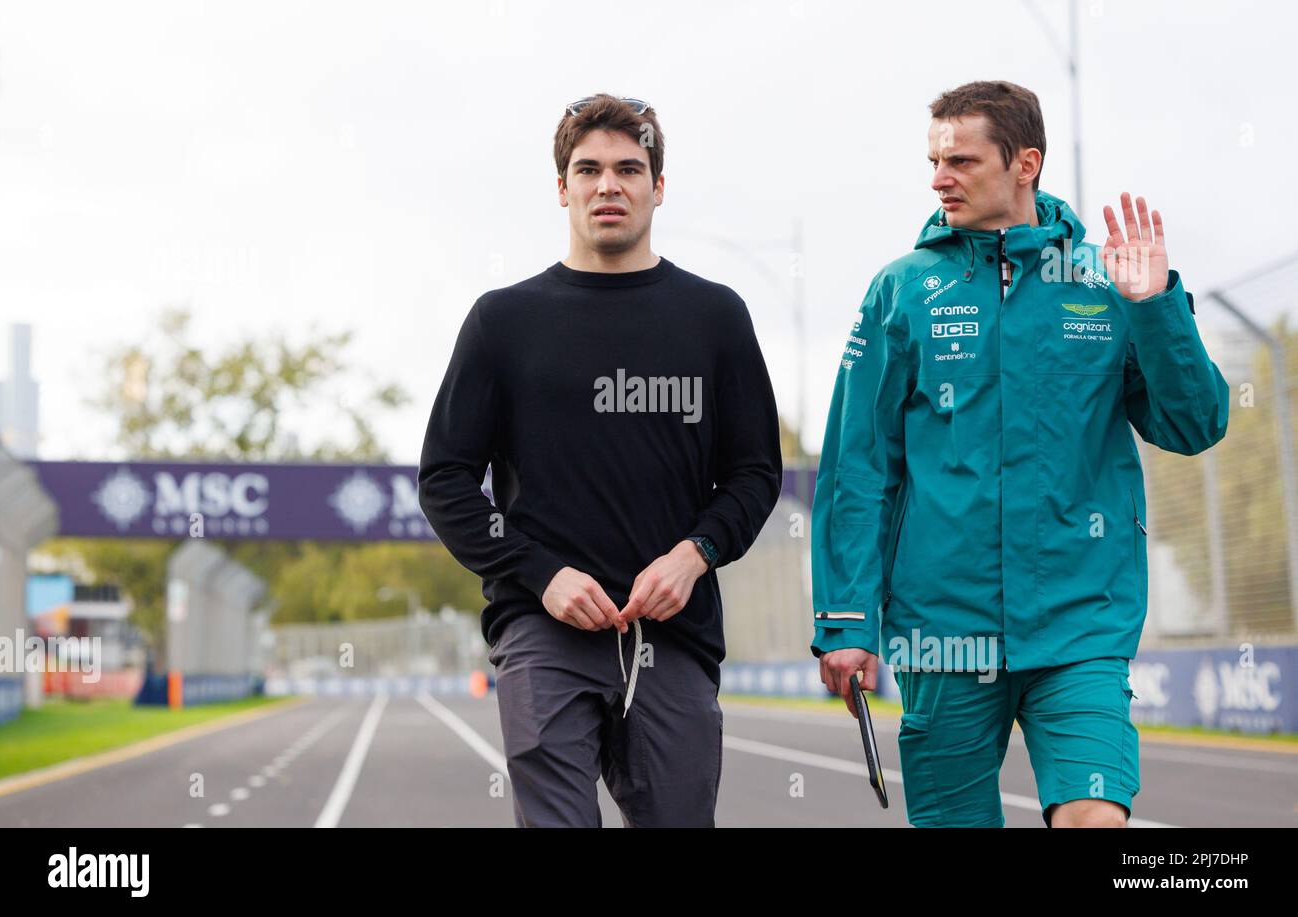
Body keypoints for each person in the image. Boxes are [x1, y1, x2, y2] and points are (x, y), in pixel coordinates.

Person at [811, 80, 1229, 828]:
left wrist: (1157, 306)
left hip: (1080, 622)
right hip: (943, 629)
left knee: (1094, 817)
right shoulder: (901, 292)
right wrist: (846, 621)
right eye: (934, 160)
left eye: (961, 160)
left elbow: (1193, 424)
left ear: (1025, 163)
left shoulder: (1107, 283)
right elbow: (857, 468)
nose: (939, 178)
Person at [418, 94, 782, 827]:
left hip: (672, 637)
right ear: (562, 188)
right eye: (588, 169)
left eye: (628, 168)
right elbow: (445, 480)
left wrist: (694, 554)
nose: (607, 185)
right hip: (543, 630)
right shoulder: (503, 320)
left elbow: (755, 472)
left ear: (658, 186)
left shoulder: (714, 316)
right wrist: (539, 574)